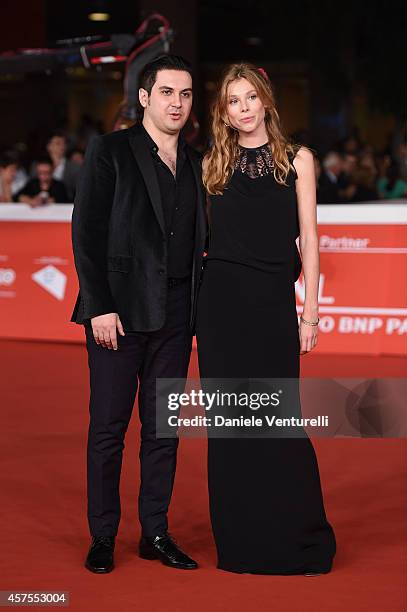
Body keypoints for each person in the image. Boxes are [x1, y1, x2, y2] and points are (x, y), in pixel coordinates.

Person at [196, 62, 336, 575]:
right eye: (234, 101)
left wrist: (311, 314)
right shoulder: (212, 162)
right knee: (230, 424)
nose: (244, 108)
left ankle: (294, 535)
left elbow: (310, 238)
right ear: (226, 113)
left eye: (251, 97)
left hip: (273, 305)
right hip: (220, 308)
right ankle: (240, 542)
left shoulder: (298, 160)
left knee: (277, 419)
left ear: (266, 101)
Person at [71, 54, 207, 574]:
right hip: (118, 314)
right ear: (145, 97)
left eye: (186, 94)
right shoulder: (110, 150)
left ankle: (155, 532)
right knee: (108, 428)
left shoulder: (197, 162)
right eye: (168, 92)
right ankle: (103, 533)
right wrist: (99, 305)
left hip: (176, 314)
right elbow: (86, 233)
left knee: (163, 430)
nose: (177, 103)